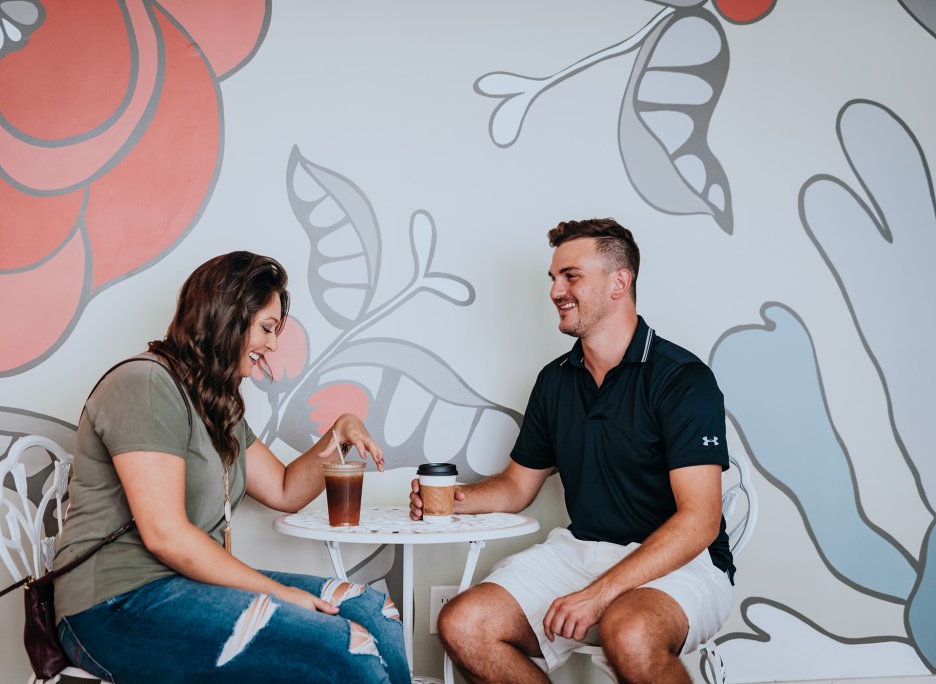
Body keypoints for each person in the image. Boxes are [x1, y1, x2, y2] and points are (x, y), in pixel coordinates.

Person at [53, 252, 410, 684]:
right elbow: (166, 536)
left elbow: (283, 489)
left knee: (377, 612)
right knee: (347, 648)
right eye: (266, 328)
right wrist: (281, 595)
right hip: (112, 607)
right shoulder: (145, 385)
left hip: (187, 589)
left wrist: (339, 434)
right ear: (226, 318)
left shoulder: (216, 405)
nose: (273, 346)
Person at [409, 219, 734, 684]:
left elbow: (699, 522)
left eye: (571, 276)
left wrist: (600, 595)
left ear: (619, 282)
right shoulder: (555, 380)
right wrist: (455, 499)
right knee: (464, 624)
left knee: (630, 631)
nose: (555, 290)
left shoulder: (683, 379)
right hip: (582, 551)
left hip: (679, 561)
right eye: (553, 278)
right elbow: (518, 485)